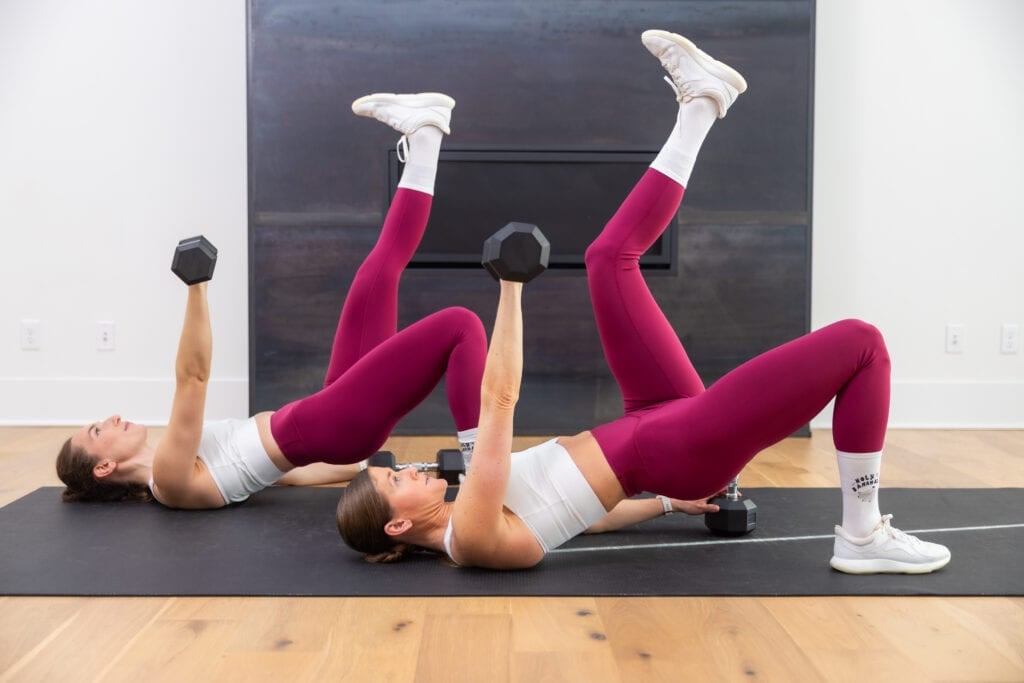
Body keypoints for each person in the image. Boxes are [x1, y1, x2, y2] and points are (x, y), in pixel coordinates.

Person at [336, 30, 952, 575]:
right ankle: (863, 535)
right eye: (397, 481)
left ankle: (703, 103)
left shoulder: (473, 516)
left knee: (610, 258)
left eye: (398, 468)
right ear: (396, 526)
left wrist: (664, 502)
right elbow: (498, 401)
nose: (412, 468)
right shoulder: (468, 534)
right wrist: (511, 287)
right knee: (861, 343)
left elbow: (585, 518)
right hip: (674, 446)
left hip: (652, 428)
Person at [56, 92, 488, 509]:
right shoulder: (167, 480)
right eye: (97, 431)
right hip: (332, 423)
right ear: (105, 467)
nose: (110, 418)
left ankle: (426, 135)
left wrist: (364, 463)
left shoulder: (185, 464)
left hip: (330, 421)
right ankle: (480, 468)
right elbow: (193, 379)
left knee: (376, 275)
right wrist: (197, 287)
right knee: (460, 325)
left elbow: (292, 471)